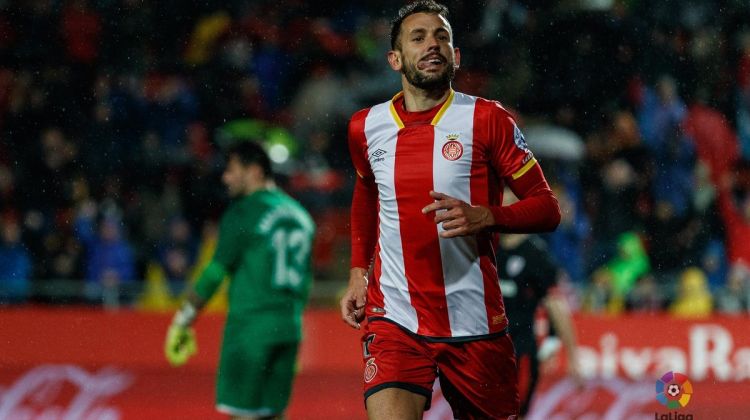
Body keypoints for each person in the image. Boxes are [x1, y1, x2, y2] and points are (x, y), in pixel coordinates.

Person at [339, 2, 561, 419]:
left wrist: (489, 216)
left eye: (442, 37)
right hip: (395, 318)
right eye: (418, 38)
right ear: (395, 58)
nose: (432, 45)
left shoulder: (488, 119)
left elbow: (547, 209)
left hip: (475, 323)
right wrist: (357, 271)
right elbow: (367, 194)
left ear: (456, 55)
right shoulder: (365, 127)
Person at [164, 141, 315, 420]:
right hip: (289, 331)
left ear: (255, 171)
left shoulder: (244, 212)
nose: (225, 178)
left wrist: (183, 320)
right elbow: (306, 282)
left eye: (232, 170)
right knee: (274, 415)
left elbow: (214, 274)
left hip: (250, 332)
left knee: (244, 415)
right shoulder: (301, 216)